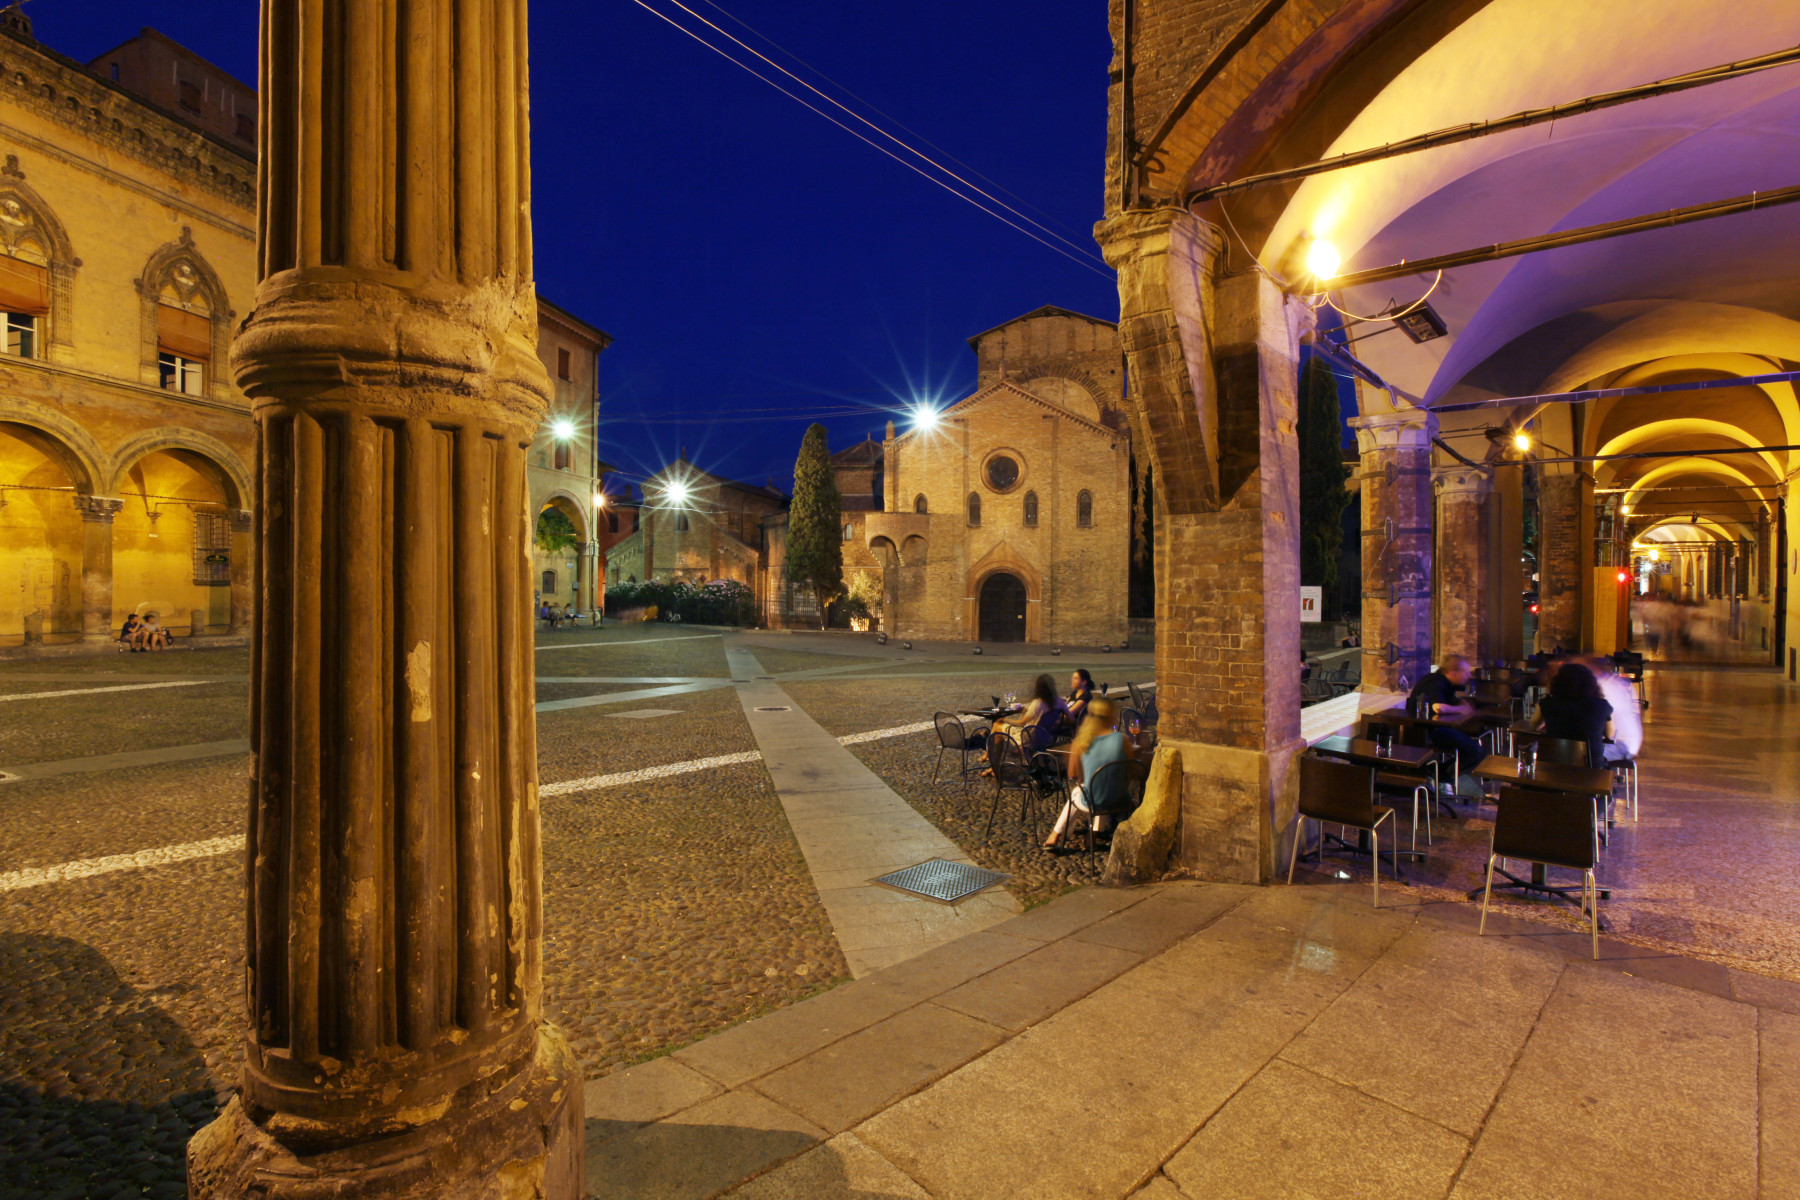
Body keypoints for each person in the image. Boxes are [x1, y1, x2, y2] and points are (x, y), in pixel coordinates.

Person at [1043, 698, 1135, 851]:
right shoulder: (1122, 739)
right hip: (1121, 800)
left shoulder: (1081, 742)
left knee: (1080, 791)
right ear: (1112, 716)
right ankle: (1092, 836)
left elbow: (1072, 774)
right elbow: (1130, 770)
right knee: (1100, 785)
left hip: (1095, 800)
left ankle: (1055, 835)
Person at [1406, 654, 1485, 795]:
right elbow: (1438, 707)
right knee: (1476, 751)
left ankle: (1438, 775)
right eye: (1465, 672)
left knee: (1476, 750)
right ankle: (1438, 775)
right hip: (1426, 732)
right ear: (1453, 673)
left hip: (1432, 728)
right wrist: (1462, 709)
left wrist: (1460, 703)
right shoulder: (1436, 682)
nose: (1468, 676)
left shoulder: (1444, 683)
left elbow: (1448, 701)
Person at [968, 673, 1065, 761]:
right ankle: (992, 762)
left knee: (997, 725)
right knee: (998, 733)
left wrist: (1005, 719)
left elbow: (1021, 722)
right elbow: (1072, 719)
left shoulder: (1037, 703)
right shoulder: (1060, 702)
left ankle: (991, 760)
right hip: (1047, 739)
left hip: (1029, 739)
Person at [1535, 661, 1613, 769]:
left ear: (1558, 682)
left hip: (1553, 768)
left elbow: (1533, 725)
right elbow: (1609, 734)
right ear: (1590, 683)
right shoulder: (1601, 706)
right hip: (1591, 770)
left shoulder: (1547, 704)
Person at [1585, 656, 1642, 764]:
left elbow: (1609, 733)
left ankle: (1599, 778)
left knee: (1584, 755)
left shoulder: (1603, 687)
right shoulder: (1617, 683)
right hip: (1628, 741)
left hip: (1620, 744)